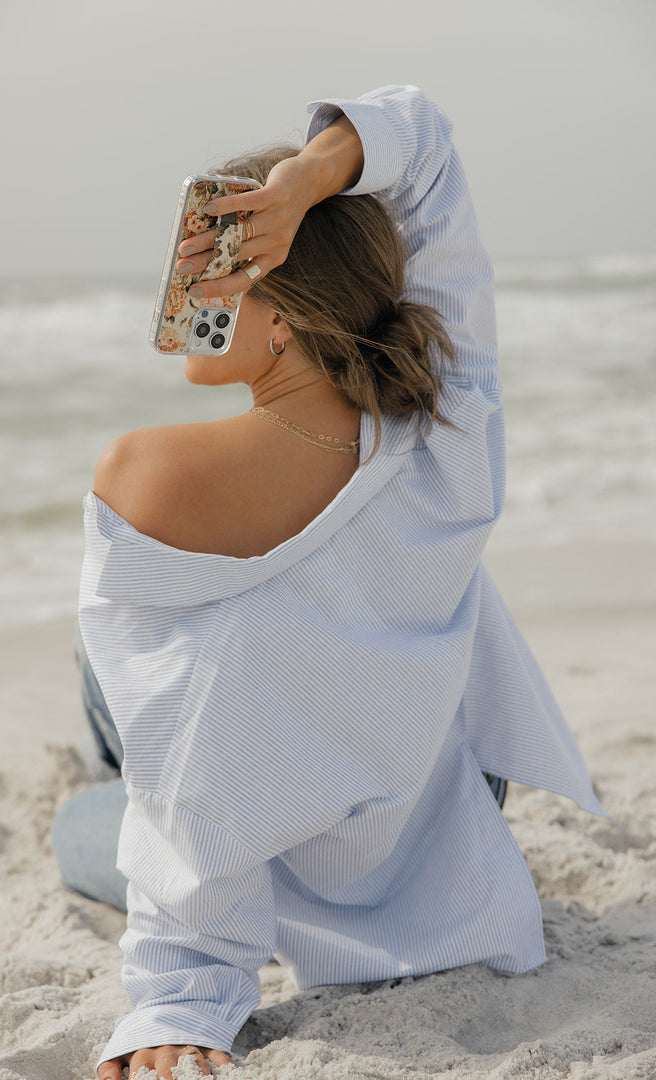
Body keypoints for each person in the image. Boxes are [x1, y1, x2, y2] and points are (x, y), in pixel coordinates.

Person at [51, 85, 605, 1080]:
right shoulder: (451, 430)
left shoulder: (147, 476)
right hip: (436, 801)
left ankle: (96, 785)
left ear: (278, 311)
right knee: (192, 668)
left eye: (218, 265)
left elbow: (194, 779)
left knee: (88, 811)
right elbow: (427, 150)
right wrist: (312, 180)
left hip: (281, 853)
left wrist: (181, 995)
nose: (192, 286)